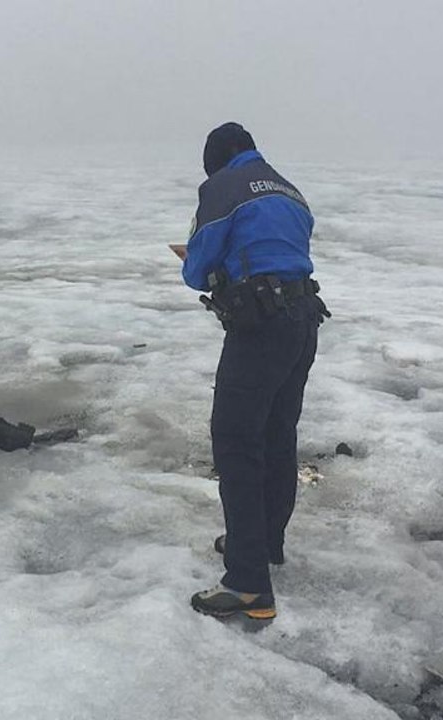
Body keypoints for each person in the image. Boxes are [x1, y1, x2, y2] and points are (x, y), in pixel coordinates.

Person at [181, 123, 328, 622]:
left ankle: (247, 585)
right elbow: (277, 249)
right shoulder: (289, 189)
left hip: (261, 327)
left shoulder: (221, 187)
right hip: (304, 320)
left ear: (217, 160)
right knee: (276, 434)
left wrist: (197, 259)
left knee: (236, 442)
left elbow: (198, 269)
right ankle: (265, 544)